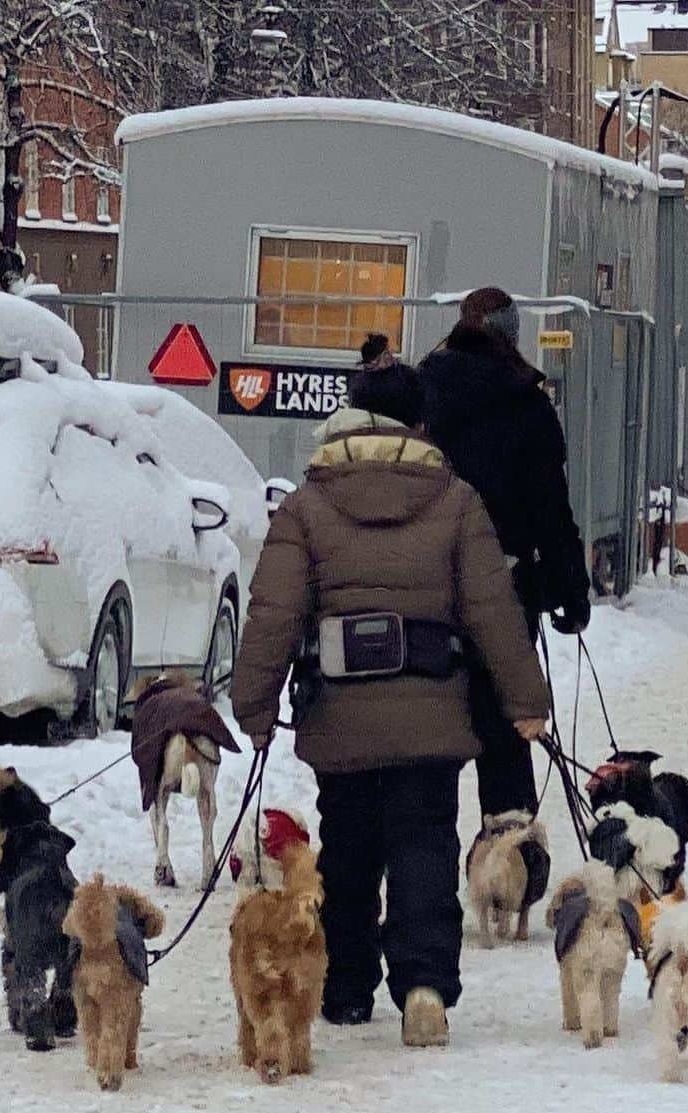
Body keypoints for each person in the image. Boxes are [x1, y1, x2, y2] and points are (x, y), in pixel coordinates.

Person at [230, 360, 548, 1046]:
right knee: (425, 845)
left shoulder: (307, 505)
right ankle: (425, 987)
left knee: (346, 848)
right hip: (431, 708)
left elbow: (274, 614)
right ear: (420, 425)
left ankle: (343, 988)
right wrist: (525, 701)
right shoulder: (455, 500)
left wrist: (253, 706)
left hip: (338, 710)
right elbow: (495, 609)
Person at [418, 286, 590, 819]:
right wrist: (569, 587)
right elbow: (549, 508)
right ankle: (509, 865)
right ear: (511, 335)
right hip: (506, 587)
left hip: (425, 591)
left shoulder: (420, 392)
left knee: (431, 749)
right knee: (507, 734)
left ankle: (427, 889)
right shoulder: (526, 402)